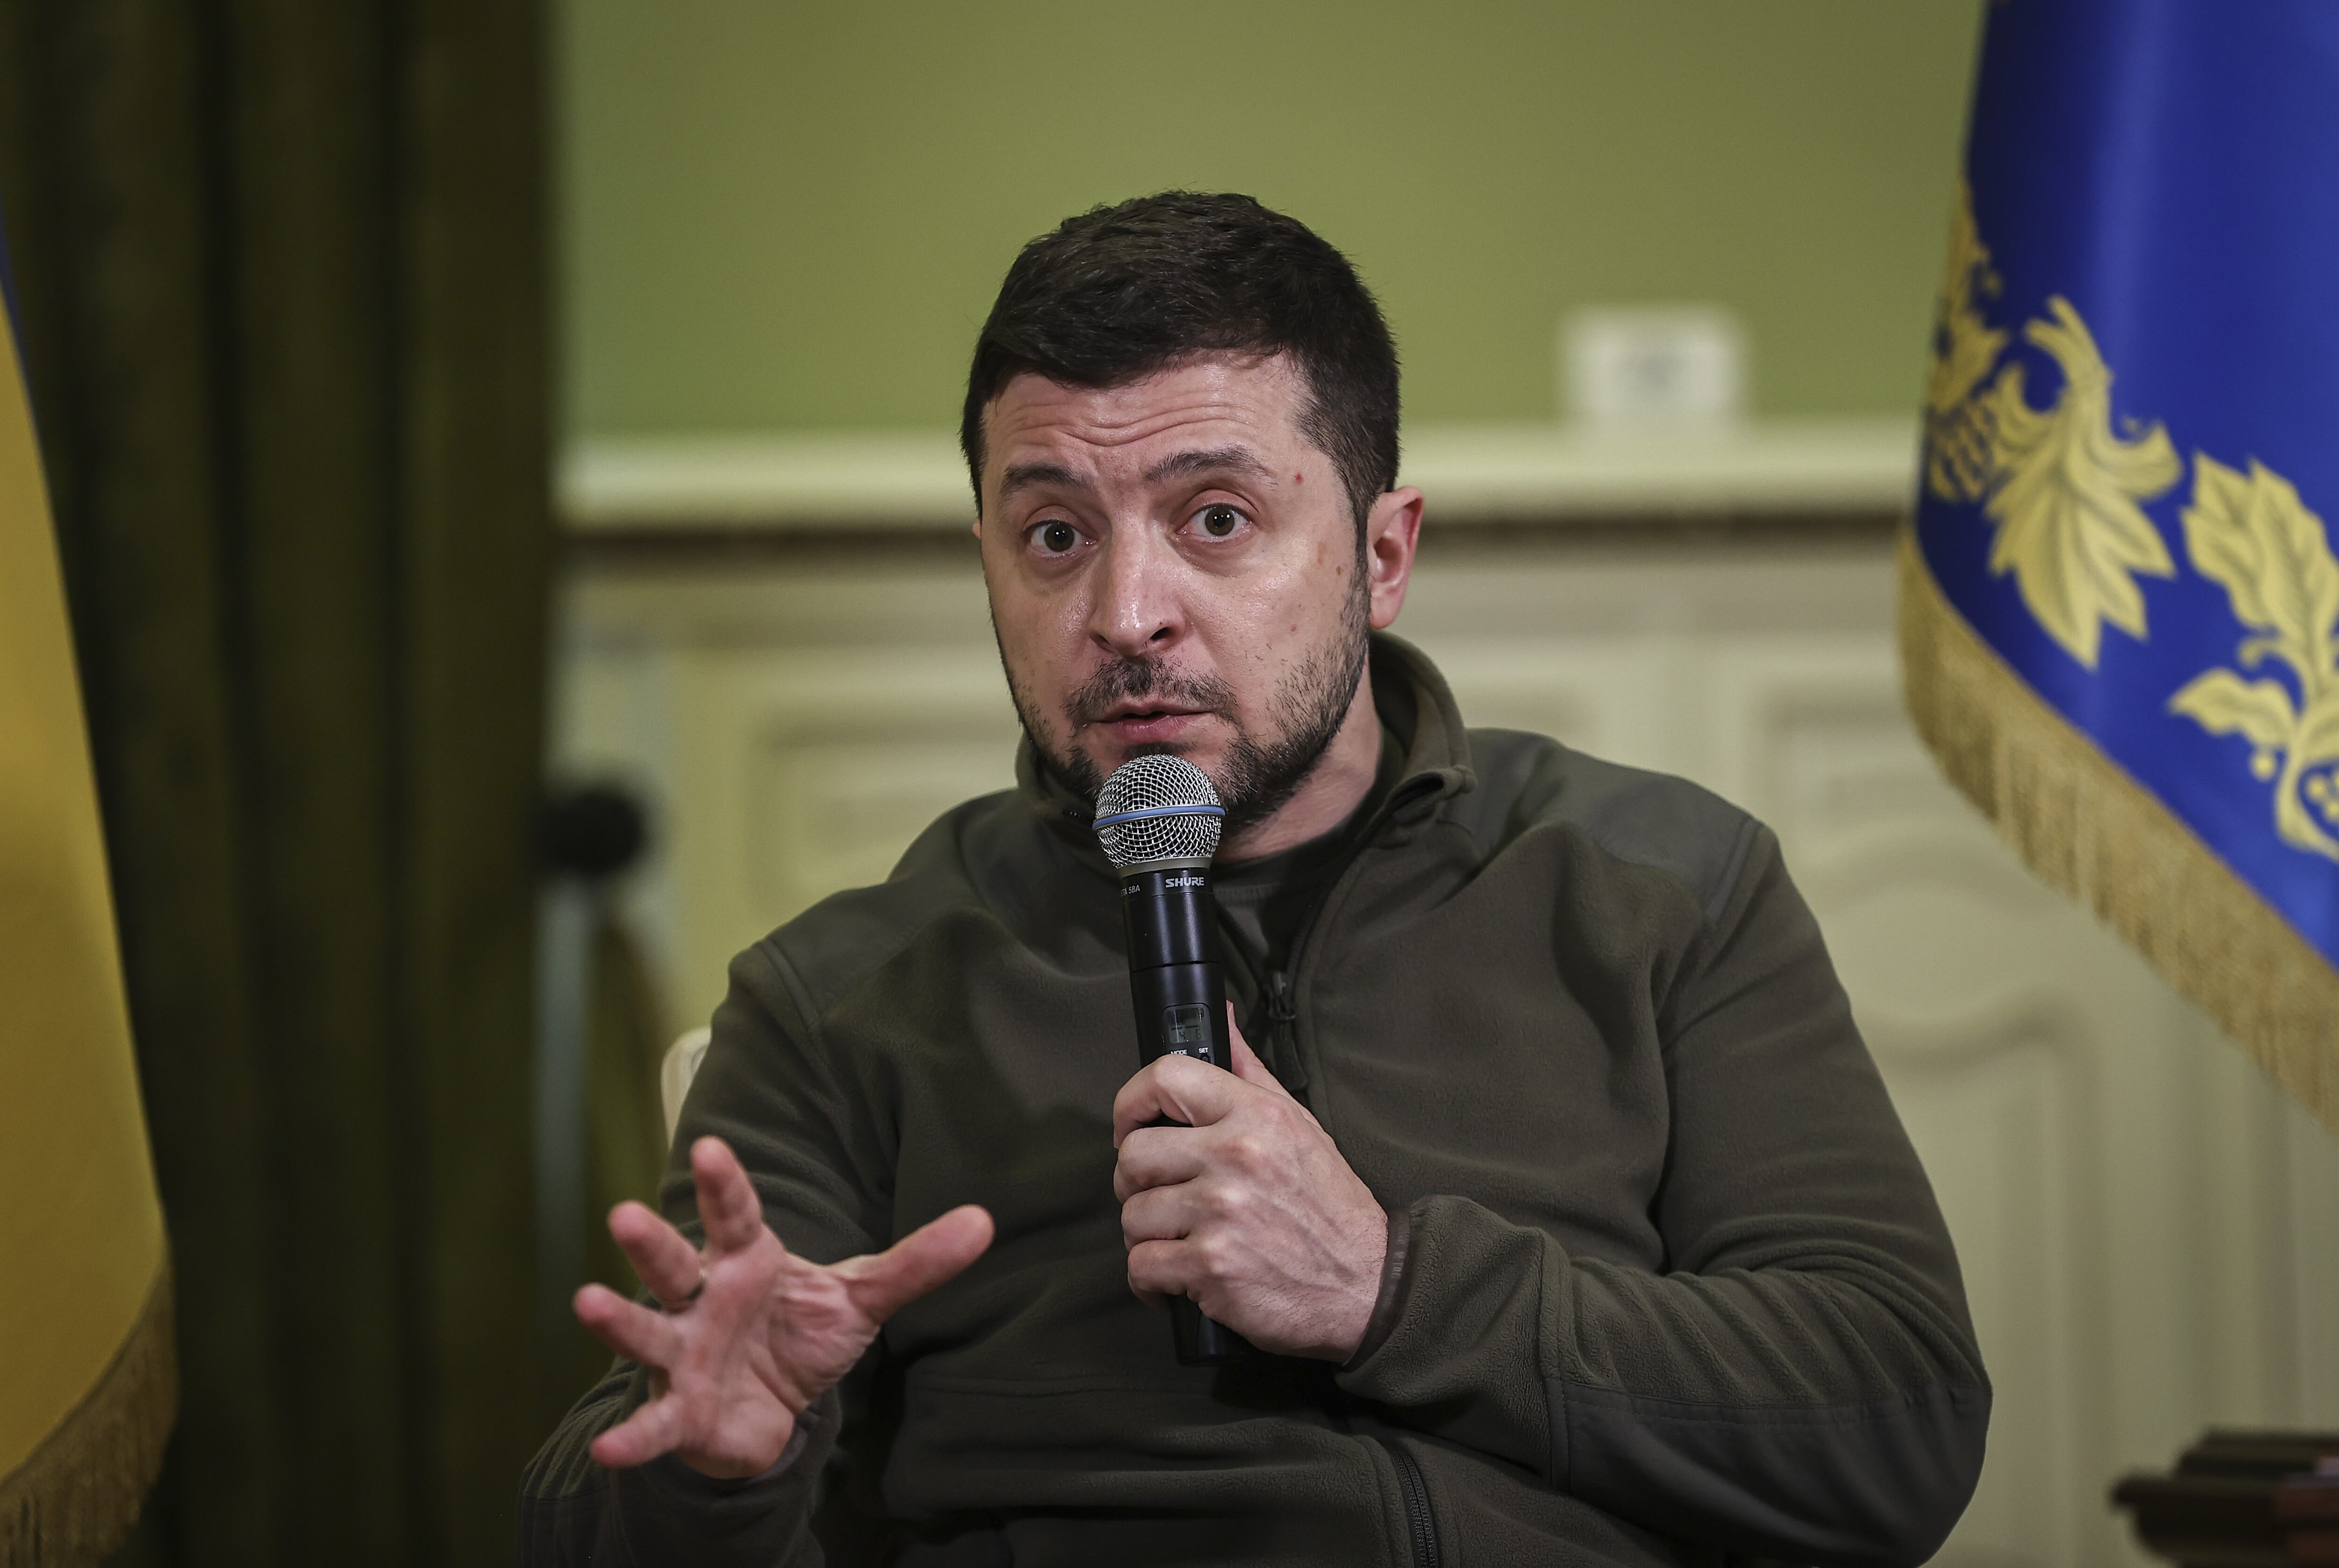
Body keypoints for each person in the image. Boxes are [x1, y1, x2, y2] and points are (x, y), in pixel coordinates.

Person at [520, 192, 1989, 1567]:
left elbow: (1896, 1421)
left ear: (1382, 551)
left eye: (1216, 517)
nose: (1125, 613)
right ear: (987, 563)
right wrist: (717, 1473)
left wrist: (1387, 1287)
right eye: (1053, 536)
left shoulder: (1666, 885)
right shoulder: (847, 997)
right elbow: (603, 1501)